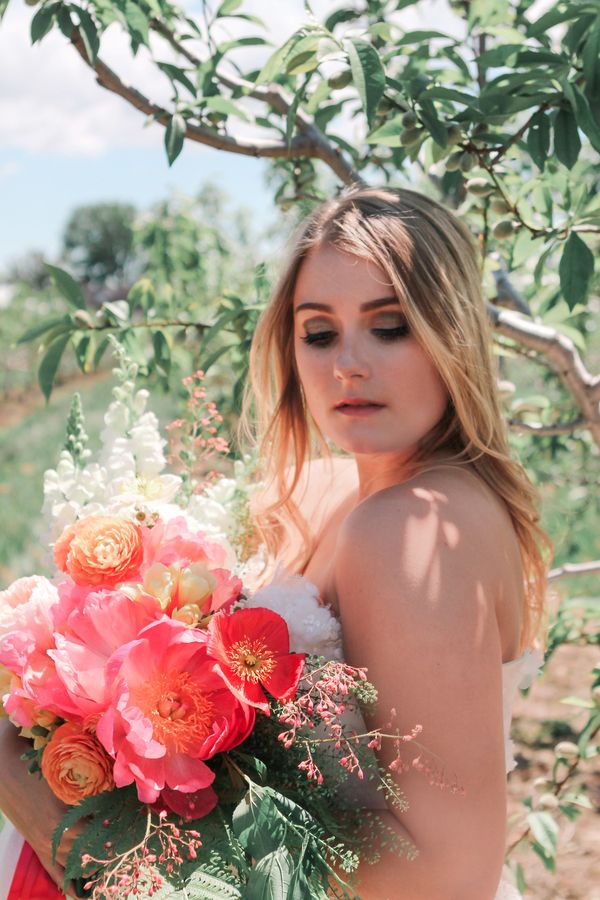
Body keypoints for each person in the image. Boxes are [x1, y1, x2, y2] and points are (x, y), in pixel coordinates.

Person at [244, 186, 550, 899]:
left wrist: (172, 829)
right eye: (318, 332)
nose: (347, 362)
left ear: (452, 336)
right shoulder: (326, 493)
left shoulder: (415, 529)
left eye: (390, 326)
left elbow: (449, 877)